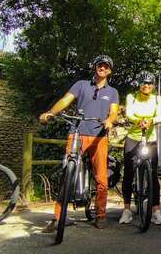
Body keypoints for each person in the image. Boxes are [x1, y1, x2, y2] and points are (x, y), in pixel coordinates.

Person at [39, 55, 119, 231]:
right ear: (95, 67)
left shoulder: (112, 92)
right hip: (77, 133)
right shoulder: (81, 85)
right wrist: (51, 112)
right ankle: (58, 218)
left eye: (106, 66)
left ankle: (100, 215)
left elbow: (113, 112)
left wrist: (110, 121)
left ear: (109, 71)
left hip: (99, 136)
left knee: (101, 179)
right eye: (100, 65)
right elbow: (66, 99)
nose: (102, 68)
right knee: (67, 173)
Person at [118, 71, 161, 225]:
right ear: (139, 84)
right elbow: (129, 114)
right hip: (133, 138)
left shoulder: (158, 99)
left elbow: (159, 116)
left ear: (153, 85)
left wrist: (150, 121)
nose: (146, 86)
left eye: (150, 83)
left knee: (153, 175)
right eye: (143, 83)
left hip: (150, 139)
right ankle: (126, 210)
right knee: (128, 173)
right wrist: (138, 121)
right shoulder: (132, 98)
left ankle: (156, 211)